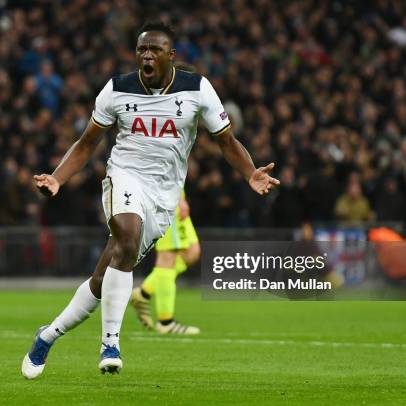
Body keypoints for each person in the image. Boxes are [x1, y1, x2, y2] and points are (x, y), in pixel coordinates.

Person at [21, 21, 279, 378]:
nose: (146, 55)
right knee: (126, 233)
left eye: (155, 49)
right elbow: (86, 144)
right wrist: (57, 178)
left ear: (170, 56)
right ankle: (110, 343)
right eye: (142, 49)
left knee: (105, 275)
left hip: (164, 195)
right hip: (124, 175)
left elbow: (227, 141)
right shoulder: (116, 90)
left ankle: (47, 335)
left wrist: (250, 172)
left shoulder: (197, 89)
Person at [130, 191, 201, 334]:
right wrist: (178, 198)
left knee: (191, 252)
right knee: (168, 256)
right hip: (166, 197)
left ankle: (143, 292)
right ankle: (165, 322)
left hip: (175, 193)